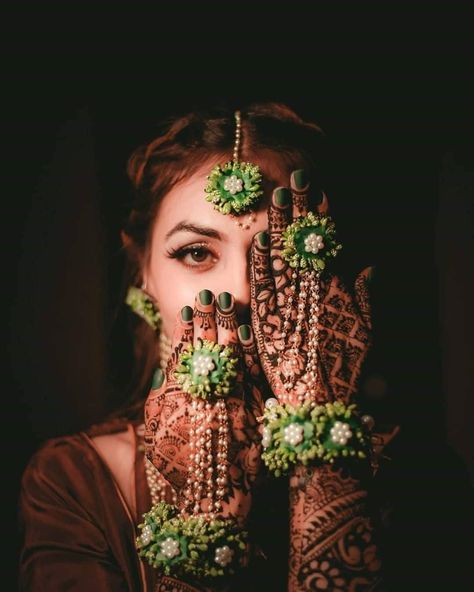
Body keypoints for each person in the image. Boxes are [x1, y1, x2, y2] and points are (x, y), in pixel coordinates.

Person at [18, 102, 389, 591]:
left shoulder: (408, 473)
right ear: (142, 270)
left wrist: (322, 462)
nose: (239, 291)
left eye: (279, 255)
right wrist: (210, 520)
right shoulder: (73, 483)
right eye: (196, 253)